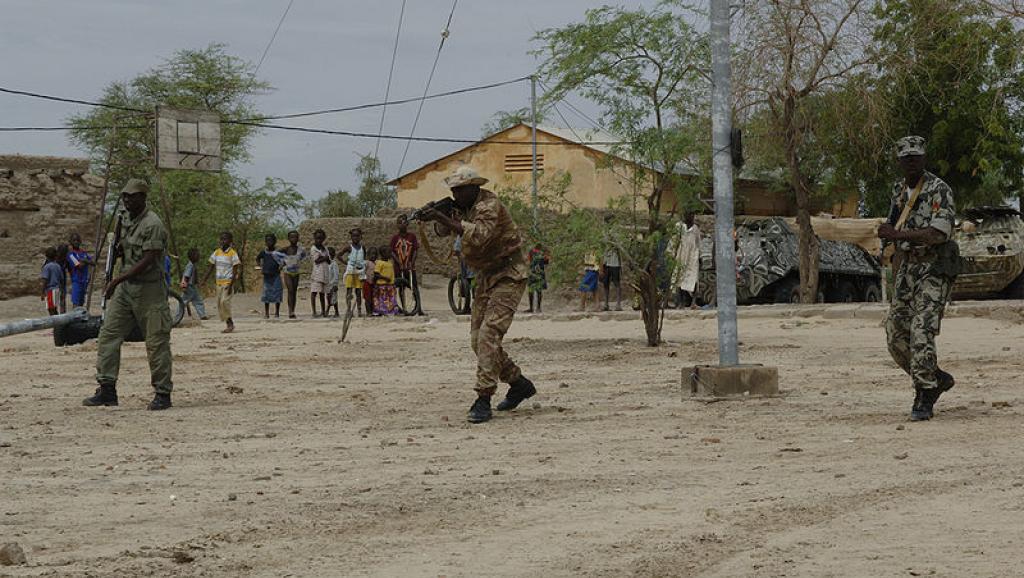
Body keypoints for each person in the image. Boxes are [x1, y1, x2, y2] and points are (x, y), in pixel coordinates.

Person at [421, 166, 537, 423]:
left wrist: (443, 219)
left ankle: (483, 397)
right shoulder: (460, 210)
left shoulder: (488, 205)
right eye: (453, 190)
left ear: (474, 188)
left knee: (488, 334)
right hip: (485, 278)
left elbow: (481, 235)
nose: (455, 193)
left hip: (509, 274)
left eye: (459, 189)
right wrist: (437, 216)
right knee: (477, 340)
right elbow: (445, 232)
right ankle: (518, 383)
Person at [878, 135, 958, 422]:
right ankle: (935, 378)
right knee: (895, 334)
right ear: (899, 161)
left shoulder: (939, 189)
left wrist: (897, 235)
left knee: (922, 329)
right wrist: (888, 233)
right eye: (906, 157)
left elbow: (938, 233)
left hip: (934, 269)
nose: (911, 160)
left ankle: (924, 393)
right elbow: (893, 222)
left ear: (924, 158)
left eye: (916, 156)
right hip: (907, 269)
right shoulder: (899, 190)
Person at [83, 179, 174, 410]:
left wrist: (118, 279)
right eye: (124, 196)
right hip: (126, 288)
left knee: (156, 342)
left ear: (143, 197)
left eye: (131, 196)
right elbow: (123, 250)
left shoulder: (153, 224)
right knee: (108, 335)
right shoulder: (124, 219)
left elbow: (149, 258)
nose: (126, 200)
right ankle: (106, 389)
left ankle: (162, 393)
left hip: (149, 289)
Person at [203, 231, 241, 334]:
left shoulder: (233, 253)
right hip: (218, 283)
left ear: (230, 241)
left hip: (228, 282)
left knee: (225, 302)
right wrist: (204, 279)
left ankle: (230, 324)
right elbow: (210, 267)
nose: (223, 241)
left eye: (226, 239)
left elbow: (235, 270)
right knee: (220, 304)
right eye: (222, 239)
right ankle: (228, 322)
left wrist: (231, 285)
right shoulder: (216, 252)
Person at [391, 214, 423, 315]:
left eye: (404, 222)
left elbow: (415, 250)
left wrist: (412, 262)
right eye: (399, 223)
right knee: (401, 287)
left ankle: (418, 308)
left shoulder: (412, 236)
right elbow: (392, 252)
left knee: (414, 287)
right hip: (398, 267)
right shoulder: (395, 238)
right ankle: (404, 307)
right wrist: (398, 262)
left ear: (407, 224)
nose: (401, 224)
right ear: (397, 225)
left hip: (409, 267)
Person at [672, 212, 701, 309]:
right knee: (680, 279)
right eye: (689, 214)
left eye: (692, 215)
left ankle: (693, 302)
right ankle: (681, 303)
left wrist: (699, 256)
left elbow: (698, 243)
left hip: (693, 257)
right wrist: (672, 255)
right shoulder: (679, 227)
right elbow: (674, 241)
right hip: (681, 256)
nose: (691, 216)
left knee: (694, 279)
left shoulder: (695, 229)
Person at [256, 234, 284, 319]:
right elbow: (257, 258)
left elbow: (284, 260)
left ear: (275, 242)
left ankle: (277, 313)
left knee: (277, 293)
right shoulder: (263, 252)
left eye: (271, 240)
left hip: (276, 275)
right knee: (266, 294)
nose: (269, 242)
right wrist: (260, 266)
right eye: (267, 241)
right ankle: (267, 313)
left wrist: (281, 267)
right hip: (266, 276)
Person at [281, 230, 306, 319]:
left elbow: (303, 256)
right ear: (288, 238)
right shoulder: (286, 249)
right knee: (290, 290)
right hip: (287, 272)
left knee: (294, 291)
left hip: (296, 272)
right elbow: (275, 254)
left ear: (298, 238)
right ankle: (290, 310)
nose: (293, 239)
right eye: (291, 237)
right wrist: (282, 263)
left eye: (295, 237)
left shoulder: (300, 250)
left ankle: (293, 310)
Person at [342, 228, 366, 317]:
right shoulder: (349, 247)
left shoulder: (362, 247)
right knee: (349, 291)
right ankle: (349, 310)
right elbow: (339, 255)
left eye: (357, 236)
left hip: (359, 272)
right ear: (351, 237)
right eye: (354, 236)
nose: (355, 238)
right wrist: (346, 263)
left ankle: (359, 310)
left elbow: (364, 258)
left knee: (358, 291)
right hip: (350, 271)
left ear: (361, 237)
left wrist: (363, 267)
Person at [601, 215, 623, 311]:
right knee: (606, 283)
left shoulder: (616, 233)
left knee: (616, 283)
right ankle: (606, 304)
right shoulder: (603, 233)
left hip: (614, 261)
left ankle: (618, 304)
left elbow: (618, 247)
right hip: (606, 260)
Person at [180, 247, 208, 320]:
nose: (199, 256)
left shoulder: (193, 265)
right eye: (197, 255)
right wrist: (184, 284)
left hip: (193, 287)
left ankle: (202, 315)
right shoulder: (190, 265)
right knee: (183, 302)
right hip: (189, 287)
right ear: (192, 257)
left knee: (198, 301)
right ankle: (177, 316)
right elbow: (186, 275)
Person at [66, 232, 93, 308]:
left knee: (81, 303)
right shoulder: (71, 254)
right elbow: (79, 265)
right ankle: (75, 319)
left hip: (84, 281)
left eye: (78, 240)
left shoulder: (83, 252)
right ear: (71, 242)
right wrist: (86, 261)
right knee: (76, 303)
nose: (76, 242)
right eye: (74, 240)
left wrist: (84, 260)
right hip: (77, 281)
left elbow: (92, 262)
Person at [373, 245, 402, 315]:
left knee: (390, 299)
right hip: (382, 285)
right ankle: (381, 311)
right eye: (389, 252)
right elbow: (376, 274)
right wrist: (385, 278)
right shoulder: (379, 263)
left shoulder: (390, 262)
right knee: (382, 299)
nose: (390, 254)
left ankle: (390, 311)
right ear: (383, 254)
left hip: (390, 285)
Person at [309, 229, 331, 318]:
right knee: (314, 292)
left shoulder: (325, 248)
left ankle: (323, 311)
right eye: (317, 238)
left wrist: (324, 258)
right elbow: (317, 261)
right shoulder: (313, 248)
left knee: (322, 293)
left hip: (324, 273)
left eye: (321, 238)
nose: (319, 240)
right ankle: (314, 312)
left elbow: (329, 260)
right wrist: (324, 258)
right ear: (314, 238)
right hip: (317, 274)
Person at [526, 243, 549, 313]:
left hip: (532, 272)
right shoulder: (544, 253)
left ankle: (531, 308)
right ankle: (538, 308)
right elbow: (546, 262)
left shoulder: (531, 251)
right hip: (539, 273)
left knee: (531, 291)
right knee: (538, 290)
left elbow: (529, 261)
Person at [40, 247, 62, 315]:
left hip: (50, 290)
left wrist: (42, 292)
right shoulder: (58, 266)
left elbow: (45, 280)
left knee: (51, 309)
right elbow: (61, 278)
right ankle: (58, 323)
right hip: (57, 289)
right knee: (54, 308)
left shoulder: (47, 267)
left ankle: (56, 324)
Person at [362, 246, 378, 316]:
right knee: (367, 298)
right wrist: (363, 278)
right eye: (372, 254)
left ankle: (373, 311)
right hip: (367, 282)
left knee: (373, 298)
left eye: (375, 254)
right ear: (368, 255)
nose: (373, 256)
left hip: (374, 283)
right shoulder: (366, 263)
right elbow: (362, 271)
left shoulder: (377, 263)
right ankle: (368, 312)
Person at [327, 246, 341, 318]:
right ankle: (329, 311)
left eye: (331, 254)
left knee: (334, 298)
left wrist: (335, 284)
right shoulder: (326, 264)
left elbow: (336, 275)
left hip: (332, 284)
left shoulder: (334, 264)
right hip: (327, 285)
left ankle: (334, 311)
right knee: (329, 298)